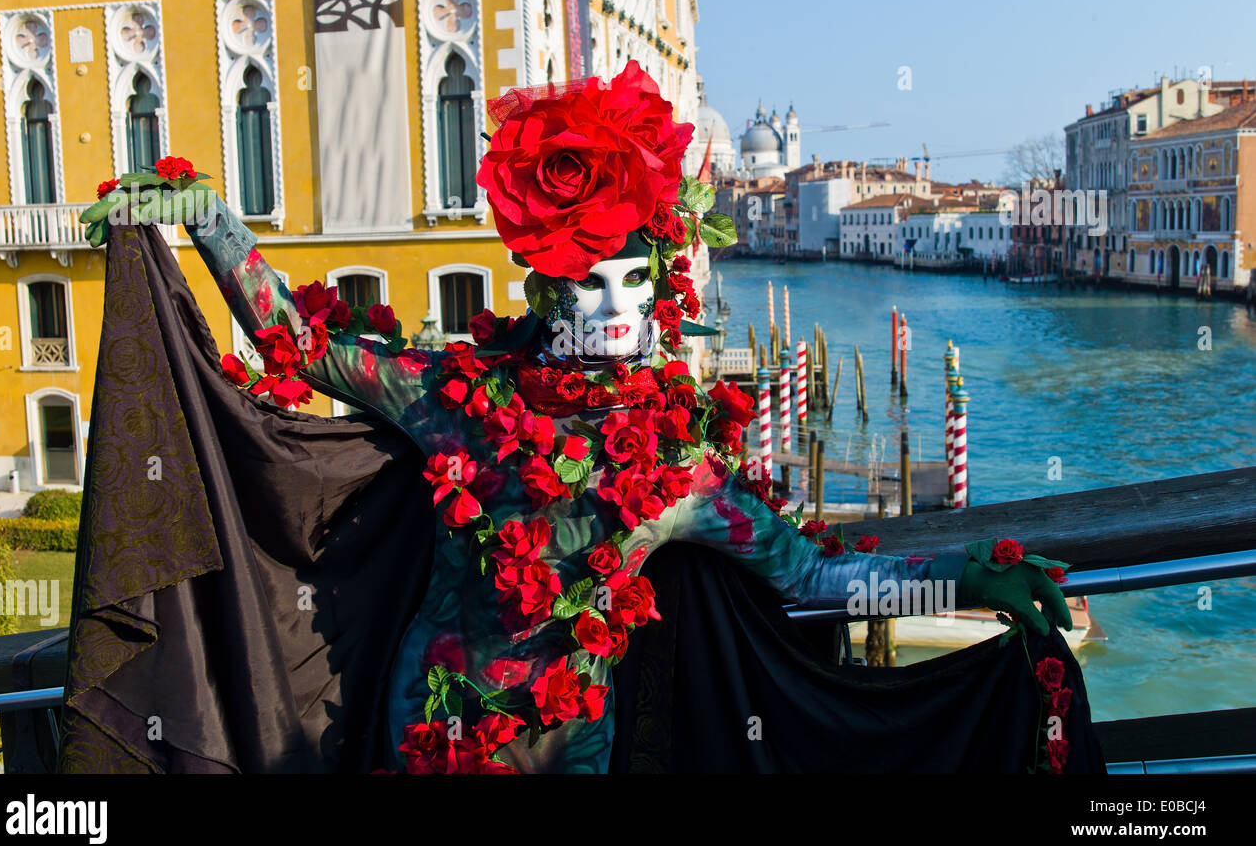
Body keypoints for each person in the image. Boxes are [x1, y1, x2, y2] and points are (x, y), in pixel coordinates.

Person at [81, 60, 1073, 774]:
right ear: (553, 293)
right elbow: (303, 347)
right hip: (430, 729)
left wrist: (964, 574)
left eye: (631, 286)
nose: (611, 308)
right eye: (588, 285)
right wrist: (206, 215)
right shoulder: (459, 404)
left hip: (574, 746)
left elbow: (816, 574)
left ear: (660, 296)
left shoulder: (677, 469)